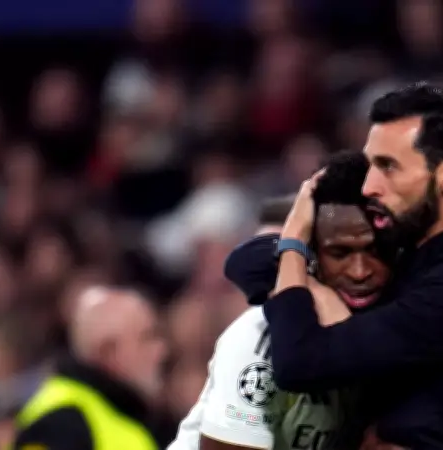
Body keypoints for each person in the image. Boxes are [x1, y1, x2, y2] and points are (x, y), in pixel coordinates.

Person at [264, 83, 443, 449]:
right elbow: (248, 265)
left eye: (388, 167)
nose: (368, 186)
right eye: (370, 165)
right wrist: (318, 287)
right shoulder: (404, 238)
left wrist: (295, 241)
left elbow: (299, 364)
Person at [167, 151, 396, 450]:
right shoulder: (258, 341)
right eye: (339, 253)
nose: (359, 271)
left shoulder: (410, 322)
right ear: (313, 256)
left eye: (376, 251)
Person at [13, 287, 166, 450]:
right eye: (147, 338)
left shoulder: (127, 414)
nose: (161, 350)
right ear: (109, 352)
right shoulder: (59, 422)